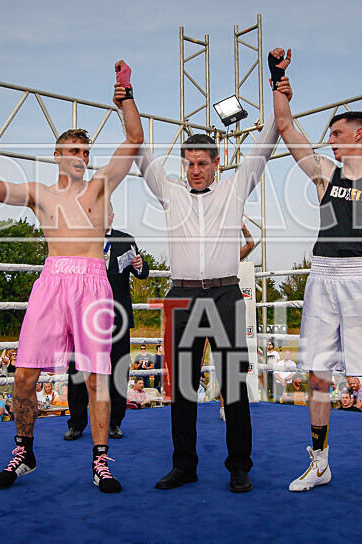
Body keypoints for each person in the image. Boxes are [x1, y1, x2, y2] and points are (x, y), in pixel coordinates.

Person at [0, 61, 142, 494]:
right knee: (24, 376)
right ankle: (24, 452)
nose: (81, 156)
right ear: (57, 155)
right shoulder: (39, 193)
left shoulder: (100, 186)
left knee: (97, 378)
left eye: (86, 151)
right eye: (73, 150)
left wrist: (126, 95)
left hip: (93, 282)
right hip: (52, 282)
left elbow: (134, 139)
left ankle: (101, 461)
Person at [132, 51, 279, 494]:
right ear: (184, 165)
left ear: (217, 162)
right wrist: (127, 98)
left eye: (203, 163)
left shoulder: (235, 188)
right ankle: (184, 465)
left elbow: (269, 138)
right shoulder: (170, 192)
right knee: (181, 388)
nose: (195, 170)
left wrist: (277, 82)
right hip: (182, 296)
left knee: (233, 385)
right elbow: (138, 147)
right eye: (189, 163)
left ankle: (239, 466)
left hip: (225, 295)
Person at [272, 49, 362, 503]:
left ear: (359, 134)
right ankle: (319, 462)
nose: (330, 141)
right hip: (323, 275)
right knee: (317, 378)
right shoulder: (325, 175)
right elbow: (287, 128)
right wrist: (277, 80)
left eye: (336, 133)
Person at [65, 208, 150, 441]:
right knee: (78, 370)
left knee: (118, 370)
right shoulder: (81, 240)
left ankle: (114, 422)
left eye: (107, 212)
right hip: (85, 317)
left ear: (112, 216)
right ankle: (77, 423)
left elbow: (142, 273)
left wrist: (139, 264)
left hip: (117, 316)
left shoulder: (125, 239)